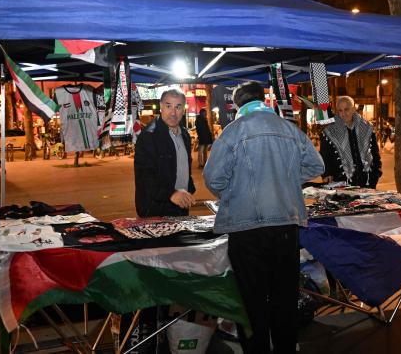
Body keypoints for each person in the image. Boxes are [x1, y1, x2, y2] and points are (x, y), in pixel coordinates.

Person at [203, 82, 324, 354]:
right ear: (263, 99)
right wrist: (288, 178)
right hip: (286, 226)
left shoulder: (233, 132)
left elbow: (214, 178)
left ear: (237, 105)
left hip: (246, 230)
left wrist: (236, 188)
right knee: (284, 298)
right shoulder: (290, 129)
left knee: (250, 301)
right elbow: (317, 166)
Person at [134, 89, 196, 217]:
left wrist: (189, 189)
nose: (173, 112)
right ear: (161, 107)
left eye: (178, 107)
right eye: (168, 106)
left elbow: (184, 166)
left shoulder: (184, 134)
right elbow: (145, 177)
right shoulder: (149, 136)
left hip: (181, 205)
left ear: (183, 109)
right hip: (156, 209)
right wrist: (171, 194)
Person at [320, 96, 382, 188]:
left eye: (346, 109)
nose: (343, 114)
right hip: (341, 183)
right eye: (340, 110)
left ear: (353, 109)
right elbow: (325, 156)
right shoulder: (330, 131)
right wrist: (326, 173)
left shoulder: (367, 128)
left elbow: (375, 154)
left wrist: (375, 174)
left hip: (367, 183)